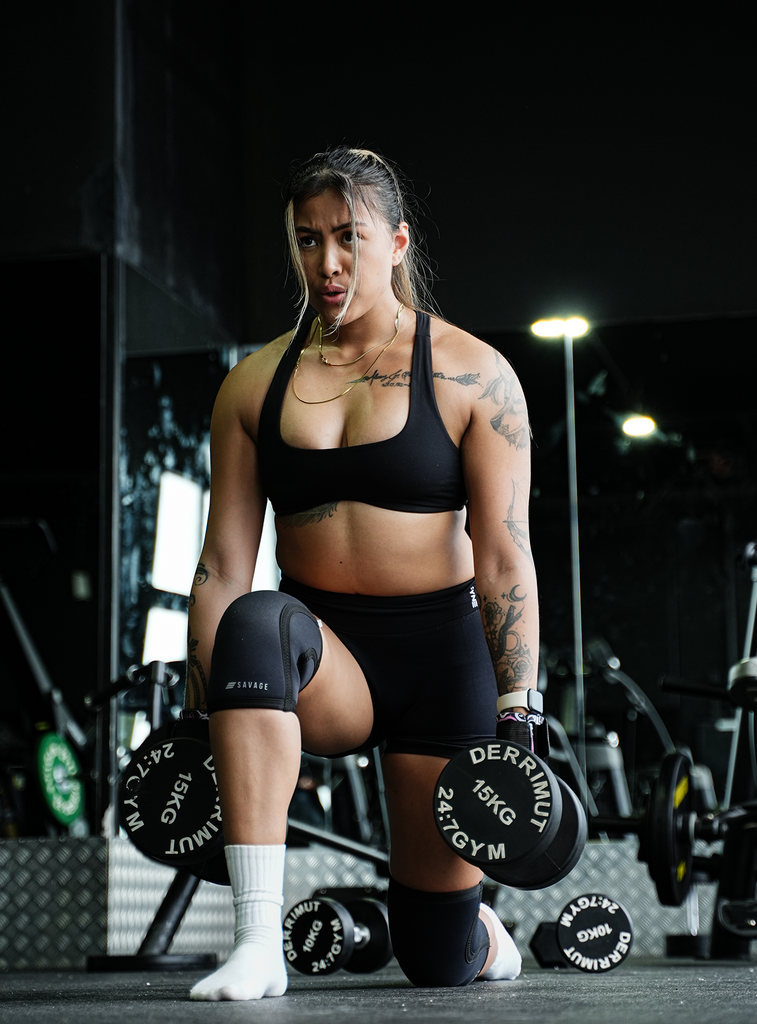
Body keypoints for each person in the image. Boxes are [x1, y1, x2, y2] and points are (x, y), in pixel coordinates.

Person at [185, 147, 540, 1001]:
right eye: (308, 240)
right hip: (324, 656)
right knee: (254, 620)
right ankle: (256, 942)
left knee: (434, 960)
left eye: (349, 236)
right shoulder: (253, 384)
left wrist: (517, 712)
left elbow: (503, 554)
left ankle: (477, 930)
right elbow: (223, 564)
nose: (328, 262)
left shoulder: (471, 372)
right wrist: (201, 708)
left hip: (441, 662)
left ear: (398, 244)